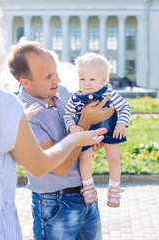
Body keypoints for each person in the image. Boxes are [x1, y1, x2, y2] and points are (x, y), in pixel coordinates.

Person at [8, 41, 114, 240]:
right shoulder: (24, 116)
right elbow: (60, 167)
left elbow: (80, 145)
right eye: (48, 76)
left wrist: (94, 141)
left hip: (86, 196)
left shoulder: (62, 92)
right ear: (25, 82)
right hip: (55, 204)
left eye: (55, 71)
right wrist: (84, 124)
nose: (57, 79)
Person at [64, 52, 131, 207]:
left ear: (104, 80)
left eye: (92, 79)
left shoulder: (110, 94)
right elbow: (67, 114)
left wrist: (122, 123)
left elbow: (125, 107)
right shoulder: (75, 98)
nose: (87, 83)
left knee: (114, 158)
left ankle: (114, 189)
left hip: (111, 130)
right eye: (82, 79)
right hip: (87, 133)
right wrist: (71, 126)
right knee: (85, 157)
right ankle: (88, 188)